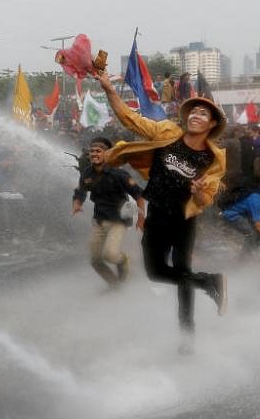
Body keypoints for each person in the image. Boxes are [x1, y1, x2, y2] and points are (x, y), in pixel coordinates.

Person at [95, 69, 227, 345]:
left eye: (203, 113)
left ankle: (186, 335)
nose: (196, 115)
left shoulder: (213, 159)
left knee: (182, 271)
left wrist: (199, 192)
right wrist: (108, 89)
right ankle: (209, 282)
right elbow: (130, 119)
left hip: (183, 219)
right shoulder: (168, 131)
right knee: (156, 272)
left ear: (212, 124)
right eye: (194, 111)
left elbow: (206, 200)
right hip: (157, 215)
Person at [72, 137, 146, 288]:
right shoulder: (87, 173)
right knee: (95, 260)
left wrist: (141, 218)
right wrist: (77, 203)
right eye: (92, 151)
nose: (94, 154)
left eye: (98, 151)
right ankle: (114, 285)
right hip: (99, 221)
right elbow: (80, 191)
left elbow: (139, 196)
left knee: (110, 255)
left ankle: (123, 261)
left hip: (118, 221)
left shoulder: (119, 174)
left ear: (107, 154)